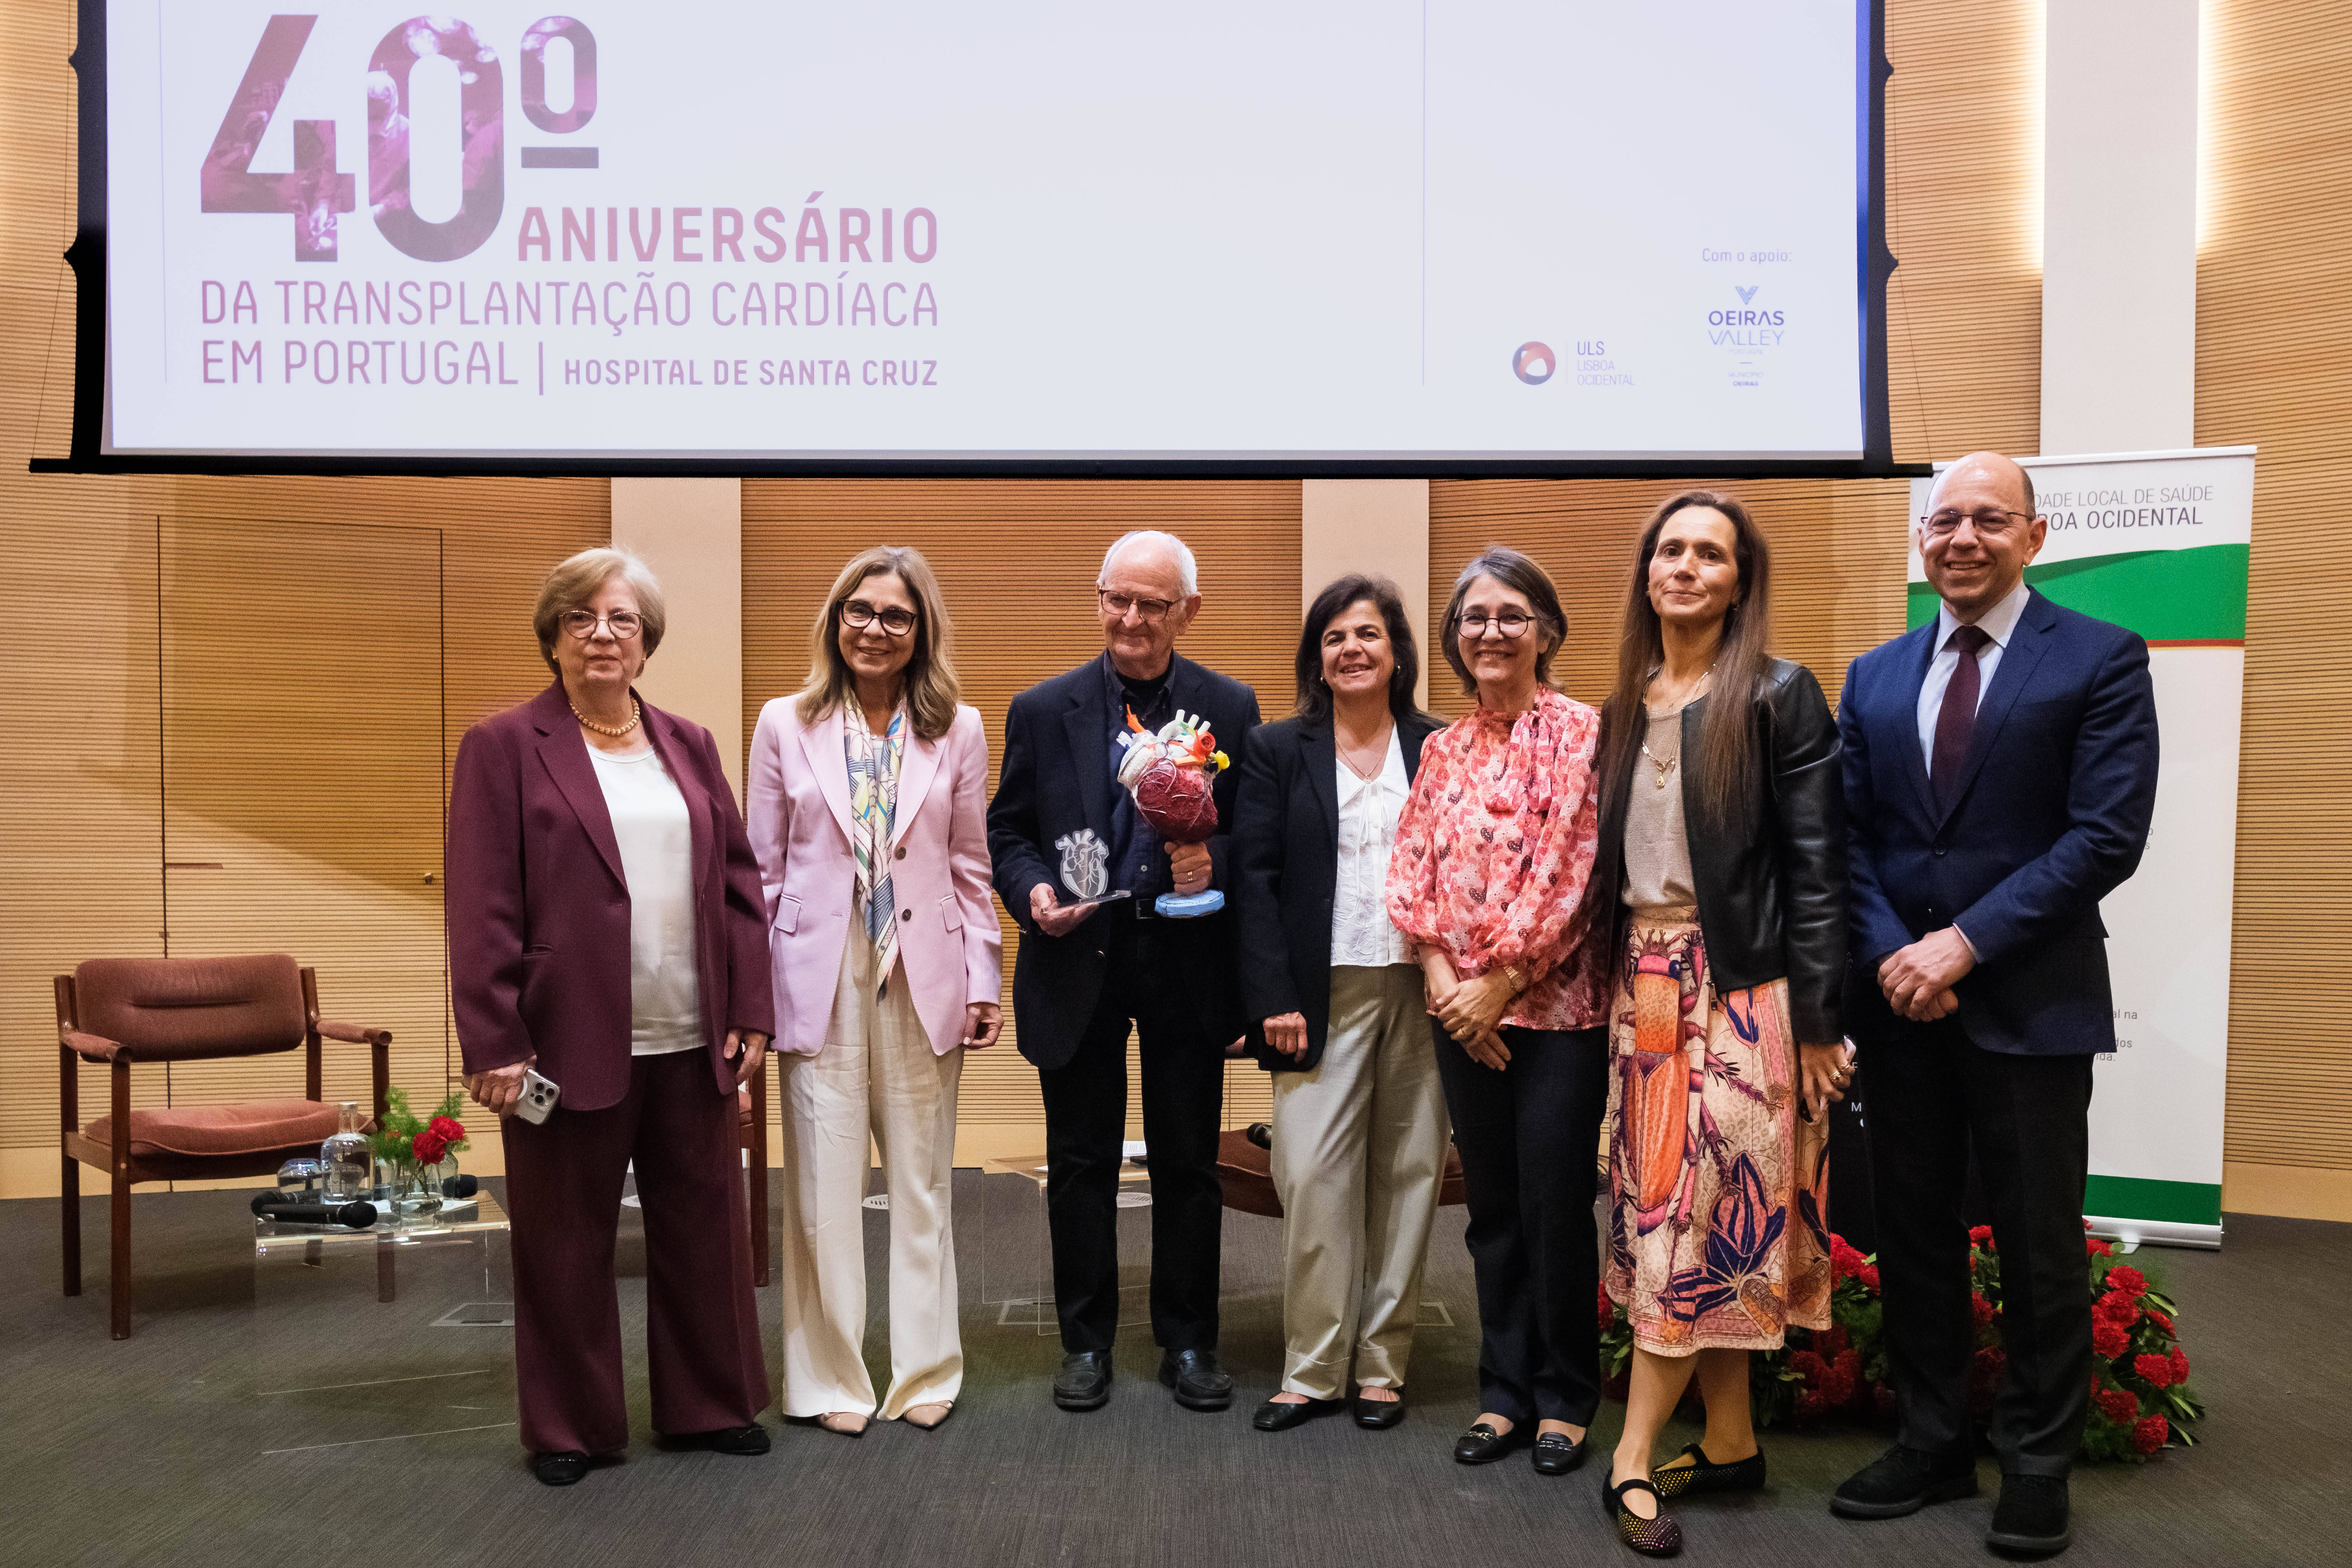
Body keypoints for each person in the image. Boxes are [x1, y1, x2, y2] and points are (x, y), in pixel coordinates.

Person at [1831, 452, 2158, 1556]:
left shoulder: (2101, 658)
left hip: (2028, 999)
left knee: (2035, 1239)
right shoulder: (1874, 673)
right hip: (1899, 1007)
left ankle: (2035, 1456)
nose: (1960, 536)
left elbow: (2104, 836)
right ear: (1922, 538)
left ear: (2034, 532)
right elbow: (1852, 839)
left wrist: (1961, 946)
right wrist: (1893, 957)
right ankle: (1931, 1438)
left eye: (1986, 518)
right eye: (1943, 519)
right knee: (1912, 1231)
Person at [447, 547, 773, 1488]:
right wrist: (496, 1039)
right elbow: (481, 904)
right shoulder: (505, 745)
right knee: (562, 1242)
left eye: (622, 619)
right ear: (553, 636)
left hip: (690, 1033)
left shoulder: (689, 742)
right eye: (582, 617)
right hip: (563, 1039)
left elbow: (739, 886)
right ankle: (569, 1423)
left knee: (707, 1232)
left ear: (647, 642)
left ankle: (709, 1404)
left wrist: (751, 1006)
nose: (602, 633)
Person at [1588, 492, 1849, 1555]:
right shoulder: (1620, 705)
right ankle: (1732, 1436)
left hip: (1740, 995)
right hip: (1637, 986)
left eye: (1711, 553)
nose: (1686, 565)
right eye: (1671, 549)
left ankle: (1633, 1454)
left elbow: (1820, 868)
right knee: (1664, 1206)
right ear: (1648, 571)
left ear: (1741, 580)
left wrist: (1826, 1022)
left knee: (1699, 1223)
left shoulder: (1782, 696)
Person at [985, 529, 1262, 1414]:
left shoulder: (1229, 703)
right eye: (1117, 599)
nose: (1131, 618)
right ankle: (1085, 1343)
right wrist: (1030, 894)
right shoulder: (1042, 707)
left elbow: (1253, 835)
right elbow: (1009, 832)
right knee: (1080, 1162)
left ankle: (1188, 1340)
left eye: (1151, 603)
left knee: (1188, 1163)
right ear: (1099, 598)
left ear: (1187, 610)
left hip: (1185, 955)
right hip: (1079, 954)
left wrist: (1208, 855)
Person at [747, 547, 1003, 1437]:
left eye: (896, 616)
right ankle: (830, 1379)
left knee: (922, 1184)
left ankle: (927, 1368)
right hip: (817, 975)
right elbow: (764, 873)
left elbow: (969, 866)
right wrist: (754, 996)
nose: (875, 629)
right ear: (835, 618)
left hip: (923, 972)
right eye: (859, 610)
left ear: (920, 631)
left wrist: (983, 977)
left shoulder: (958, 727)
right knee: (822, 1185)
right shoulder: (784, 721)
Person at [1385, 546, 1607, 1476]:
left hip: (1554, 1013)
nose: (1490, 631)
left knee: (1556, 1204)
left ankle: (1566, 1397)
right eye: (1474, 617)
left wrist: (1499, 984)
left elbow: (1574, 870)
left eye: (1511, 615)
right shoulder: (1440, 746)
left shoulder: (1583, 733)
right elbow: (1411, 870)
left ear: (1546, 631)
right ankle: (1503, 1392)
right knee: (1491, 1210)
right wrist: (1441, 974)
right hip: (1455, 1010)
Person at [1232, 575, 1447, 1433]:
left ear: (1396, 653)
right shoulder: (1276, 748)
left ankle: (1382, 1366)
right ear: (1316, 660)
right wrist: (1270, 996)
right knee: (1314, 1177)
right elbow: (1252, 881)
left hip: (1424, 993)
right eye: (1333, 637)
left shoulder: (1441, 746)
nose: (1351, 648)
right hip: (1315, 996)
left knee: (1410, 1176)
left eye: (1368, 634)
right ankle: (1312, 1367)